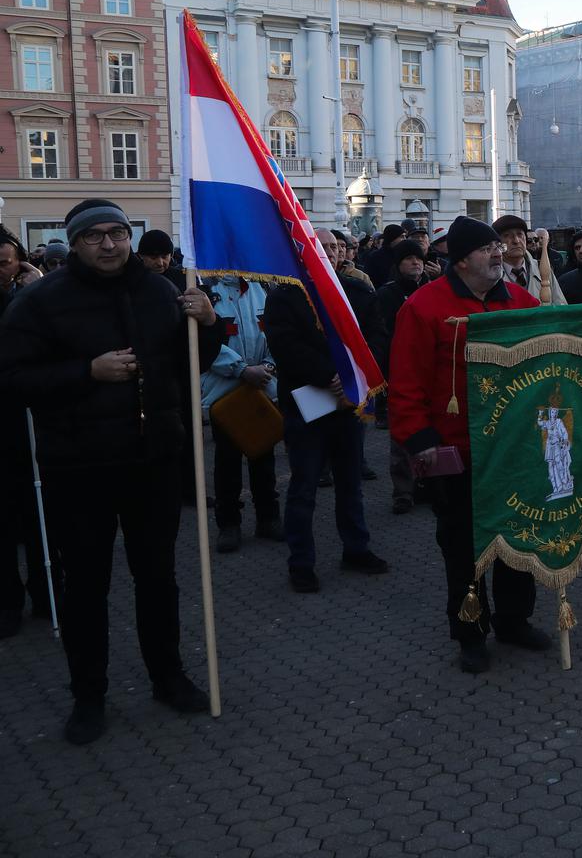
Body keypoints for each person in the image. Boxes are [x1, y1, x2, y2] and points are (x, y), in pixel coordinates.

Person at [0, 199, 225, 743]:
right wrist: (87, 371)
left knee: (157, 579)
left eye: (118, 233)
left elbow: (192, 360)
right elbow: (13, 379)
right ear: (74, 243)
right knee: (85, 586)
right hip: (79, 465)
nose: (109, 245)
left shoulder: (161, 290)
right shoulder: (40, 301)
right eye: (95, 236)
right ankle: (89, 696)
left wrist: (210, 323)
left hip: (154, 460)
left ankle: (167, 677)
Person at [389, 216, 550, 672]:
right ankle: (469, 631)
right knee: (463, 548)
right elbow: (406, 382)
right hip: (456, 451)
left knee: (518, 539)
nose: (500, 253)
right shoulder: (422, 307)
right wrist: (420, 443)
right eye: (487, 248)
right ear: (461, 260)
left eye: (499, 246)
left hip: (514, 448)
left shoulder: (520, 301)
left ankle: (514, 620)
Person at [262, 230, 389, 594]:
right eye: (322, 247)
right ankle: (301, 563)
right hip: (307, 405)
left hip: (349, 404)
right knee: (303, 486)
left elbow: (378, 338)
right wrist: (329, 375)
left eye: (335, 247)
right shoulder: (285, 297)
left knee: (351, 482)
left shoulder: (359, 293)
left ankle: (356, 548)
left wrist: (355, 376)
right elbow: (285, 345)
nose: (330, 253)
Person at [200, 277, 283, 552]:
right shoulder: (206, 291)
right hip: (225, 391)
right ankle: (229, 524)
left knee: (263, 457)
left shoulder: (263, 289)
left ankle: (268, 518)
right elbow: (205, 343)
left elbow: (274, 332)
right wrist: (241, 369)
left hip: (262, 387)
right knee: (227, 462)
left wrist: (268, 366)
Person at [0, 227, 48, 638]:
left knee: (39, 514)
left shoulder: (34, 299)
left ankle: (47, 590)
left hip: (29, 423)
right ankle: (8, 602)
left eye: (5, 262)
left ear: (19, 263)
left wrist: (35, 293)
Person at [374, 240, 431, 514]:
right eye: (409, 259)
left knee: (431, 430)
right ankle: (403, 490)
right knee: (401, 435)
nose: (416, 263)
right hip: (400, 371)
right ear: (398, 265)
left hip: (430, 369)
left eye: (418, 259)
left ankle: (426, 483)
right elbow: (382, 336)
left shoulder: (433, 289)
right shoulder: (387, 295)